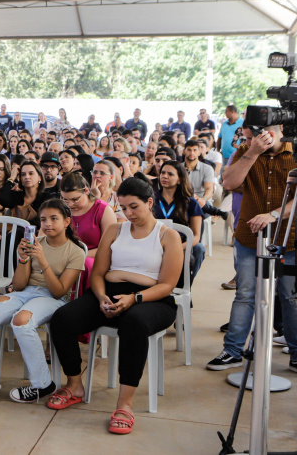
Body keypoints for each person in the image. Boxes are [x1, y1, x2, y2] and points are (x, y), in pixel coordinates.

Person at [48, 178, 182, 434]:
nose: (128, 213)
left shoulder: (168, 236)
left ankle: (125, 403)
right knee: (63, 318)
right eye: (123, 208)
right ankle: (74, 384)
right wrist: (100, 297)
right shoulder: (115, 230)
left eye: (134, 207)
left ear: (149, 202)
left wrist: (135, 299)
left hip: (151, 298)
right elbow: (97, 273)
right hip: (108, 293)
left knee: (134, 323)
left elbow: (167, 285)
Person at [207, 124, 297, 373]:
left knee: (292, 297)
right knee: (245, 294)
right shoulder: (246, 150)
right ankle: (233, 351)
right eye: (257, 130)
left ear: (281, 127)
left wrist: (273, 214)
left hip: (291, 238)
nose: (263, 134)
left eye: (268, 127)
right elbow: (229, 183)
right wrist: (252, 153)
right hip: (251, 237)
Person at [0, 199, 85, 400]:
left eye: (54, 219)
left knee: (21, 321)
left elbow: (59, 291)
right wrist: (23, 258)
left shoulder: (76, 251)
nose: (47, 224)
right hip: (25, 292)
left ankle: (43, 384)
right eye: (43, 220)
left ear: (67, 221)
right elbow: (19, 285)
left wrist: (42, 261)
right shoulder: (35, 243)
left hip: (52, 297)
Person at [60, 171, 116, 288]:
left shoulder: (102, 209)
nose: (70, 204)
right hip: (65, 254)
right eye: (65, 199)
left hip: (93, 257)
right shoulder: (62, 209)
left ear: (86, 191)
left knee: (84, 264)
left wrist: (77, 255)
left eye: (75, 199)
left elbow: (109, 247)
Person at [154, 161, 205, 282]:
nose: (165, 176)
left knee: (192, 254)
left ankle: (185, 289)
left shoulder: (190, 203)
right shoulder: (151, 199)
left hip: (180, 246)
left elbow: (196, 236)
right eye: (163, 173)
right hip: (155, 244)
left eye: (170, 174)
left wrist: (176, 248)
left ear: (179, 179)